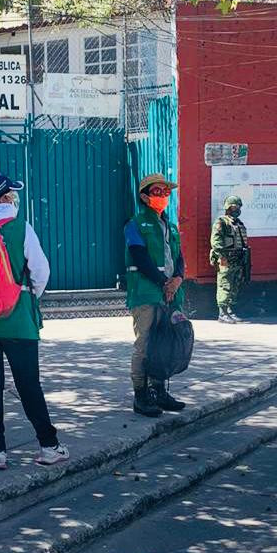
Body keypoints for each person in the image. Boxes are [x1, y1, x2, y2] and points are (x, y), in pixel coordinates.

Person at [0, 170, 68, 470]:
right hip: (16, 319)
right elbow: (41, 272)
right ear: (3, 198)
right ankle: (49, 446)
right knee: (28, 383)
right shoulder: (19, 227)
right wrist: (26, 296)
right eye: (11, 193)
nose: (14, 198)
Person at [124, 173, 187, 418]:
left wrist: (178, 279)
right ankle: (141, 396)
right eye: (158, 192)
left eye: (166, 192)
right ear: (144, 196)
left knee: (165, 344)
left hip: (170, 293)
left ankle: (158, 391)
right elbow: (140, 258)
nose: (163, 197)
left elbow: (179, 257)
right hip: (146, 293)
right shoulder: (135, 224)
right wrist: (164, 283)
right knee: (145, 344)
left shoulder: (170, 225)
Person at [210, 195, 250, 323]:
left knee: (234, 286)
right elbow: (216, 241)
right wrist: (221, 257)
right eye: (234, 206)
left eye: (239, 206)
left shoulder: (239, 223)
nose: (237, 209)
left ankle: (230, 310)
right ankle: (222, 313)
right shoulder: (221, 222)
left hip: (237, 260)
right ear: (228, 207)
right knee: (225, 285)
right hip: (225, 260)